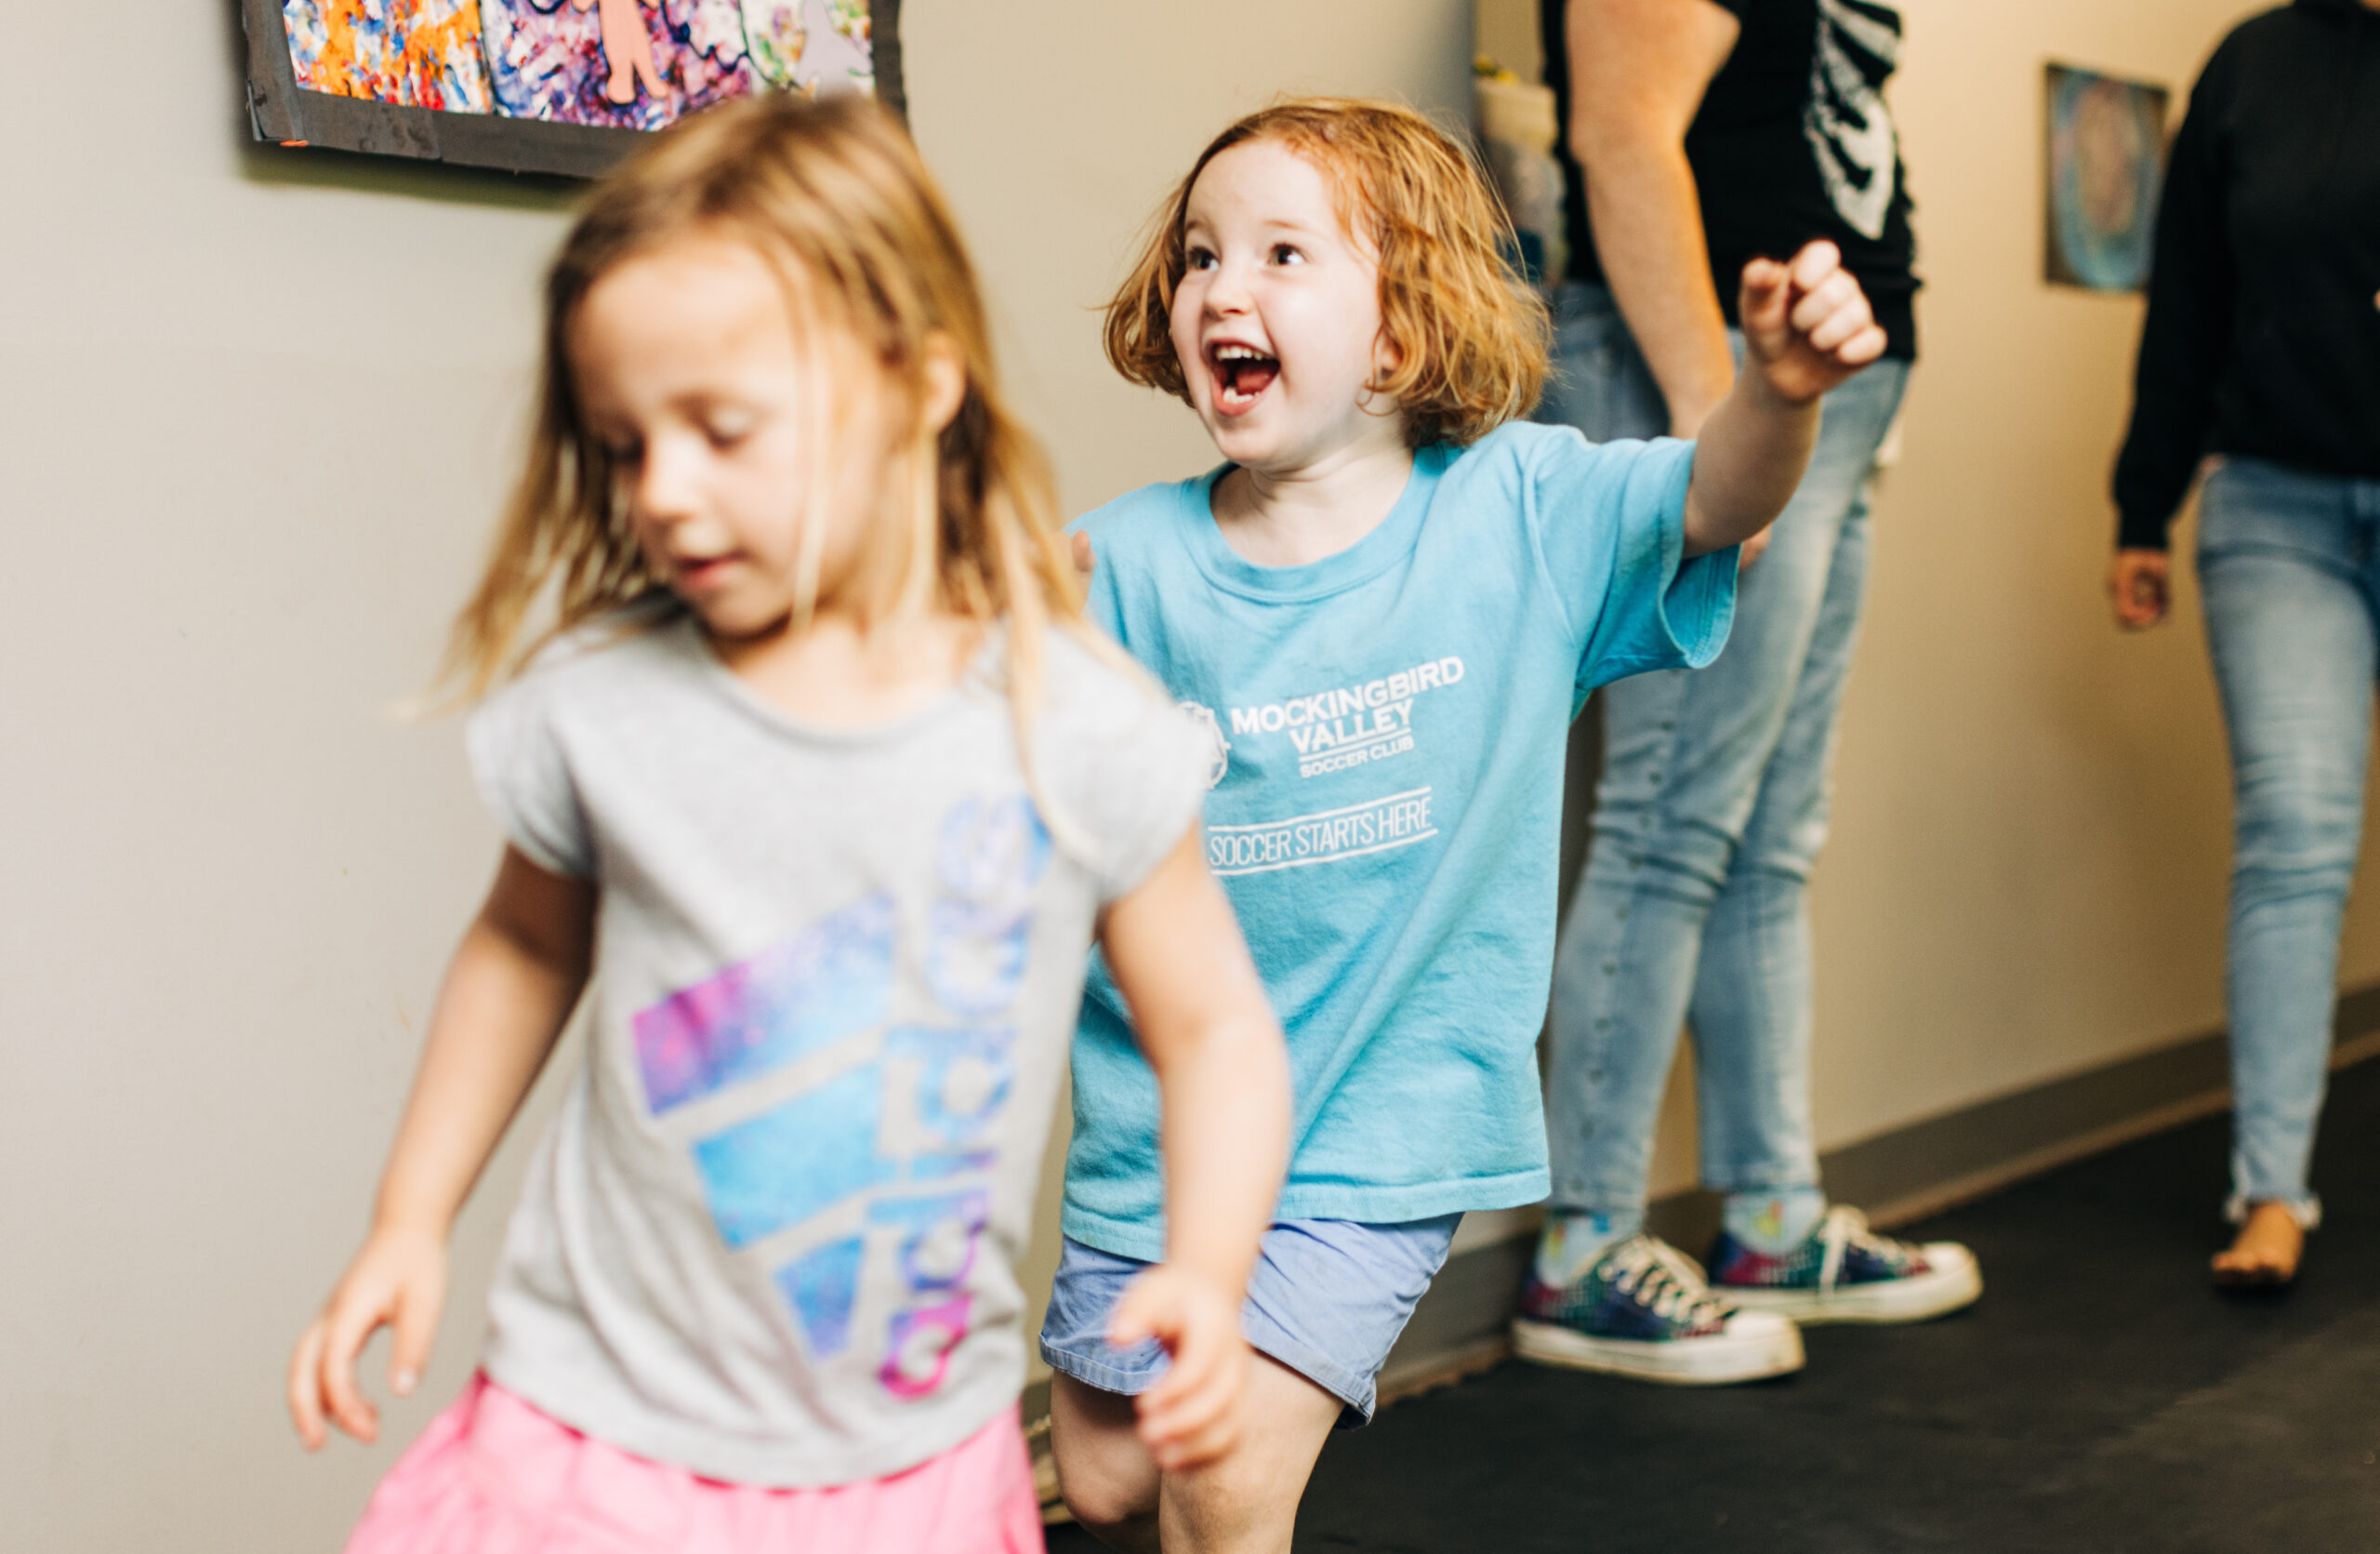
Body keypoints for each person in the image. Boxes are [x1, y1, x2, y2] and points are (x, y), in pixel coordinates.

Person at [284, 95, 1292, 1554]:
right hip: (597, 1435)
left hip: (906, 1475)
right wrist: (407, 1216)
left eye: (722, 431)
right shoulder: (607, 702)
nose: (665, 494)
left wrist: (1208, 1267)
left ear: (918, 386)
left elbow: (1213, 1032)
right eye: (627, 447)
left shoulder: (1073, 724)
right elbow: (518, 945)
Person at [1048, 98, 1887, 1551]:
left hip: (1380, 1129)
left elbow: (1716, 497)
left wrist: (1782, 393)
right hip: (1156, 1138)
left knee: (1224, 1484)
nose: (1220, 291)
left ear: (1396, 332)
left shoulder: (1523, 511)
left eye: (1282, 255)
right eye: (1198, 257)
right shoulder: (1122, 564)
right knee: (1112, 1477)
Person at [1516, 0, 1980, 1388]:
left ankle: (1771, 1215)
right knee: (1671, 818)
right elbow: (1620, 131)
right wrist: (1725, 412)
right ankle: (1584, 1247)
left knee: (1772, 829)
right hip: (1725, 367)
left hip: (1820, 391)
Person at [2107, 0, 2380, 1288]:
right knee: (2296, 831)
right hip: (2277, 505)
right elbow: (2191, 296)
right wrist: (2142, 505)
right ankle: (2271, 1193)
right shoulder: (2255, 64)